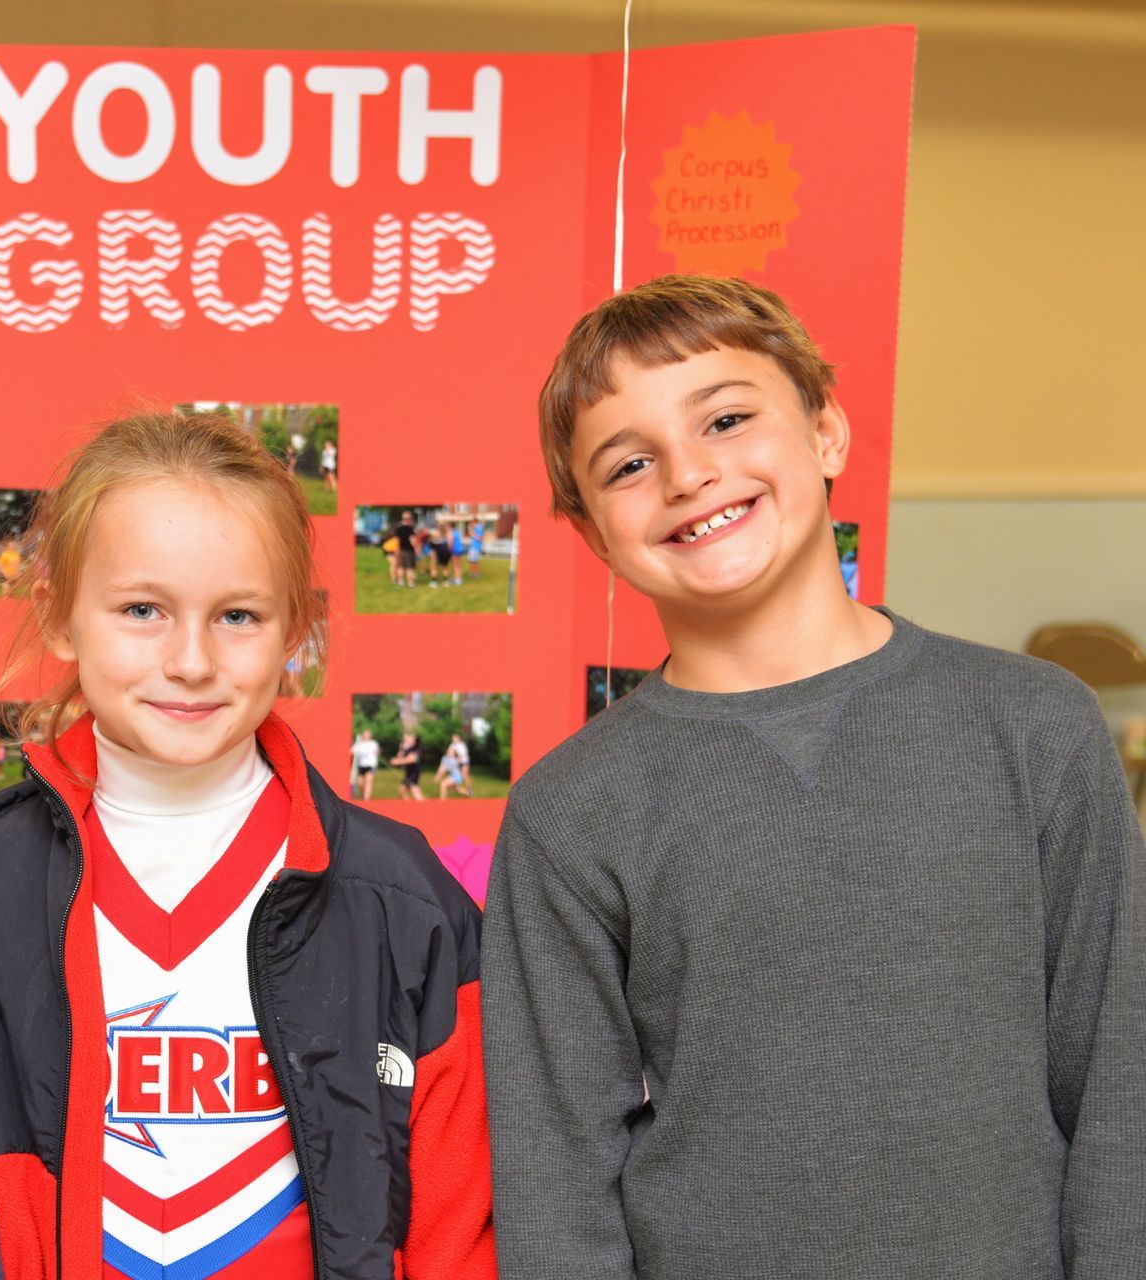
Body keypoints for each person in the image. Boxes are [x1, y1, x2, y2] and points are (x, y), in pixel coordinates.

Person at [484, 274, 1146, 1279]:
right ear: (593, 535)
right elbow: (557, 1174)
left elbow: (1118, 1081)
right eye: (629, 464)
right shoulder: (569, 810)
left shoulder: (1034, 723)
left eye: (729, 417)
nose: (690, 473)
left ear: (827, 431)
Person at [0, 412, 492, 1279]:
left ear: (297, 629)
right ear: (62, 618)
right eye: (142, 609)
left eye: (238, 616)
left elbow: (458, 1230)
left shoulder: (401, 898)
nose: (190, 660)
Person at [435, 732, 470, 799]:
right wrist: (438, 774)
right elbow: (441, 767)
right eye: (449, 750)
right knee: (457, 789)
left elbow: (444, 768)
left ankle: (442, 803)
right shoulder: (445, 758)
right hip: (453, 775)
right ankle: (469, 793)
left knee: (443, 784)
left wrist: (439, 776)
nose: (449, 751)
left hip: (457, 776)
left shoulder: (454, 759)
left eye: (451, 751)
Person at [350, 727, 380, 801]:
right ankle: (364, 796)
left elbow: (377, 751)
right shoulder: (359, 744)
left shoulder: (373, 743)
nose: (366, 736)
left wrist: (377, 752)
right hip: (361, 765)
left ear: (370, 736)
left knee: (368, 782)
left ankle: (366, 799)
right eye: (365, 735)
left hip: (370, 765)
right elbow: (351, 751)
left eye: (367, 735)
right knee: (359, 783)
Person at [392, 731, 424, 800]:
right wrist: (401, 748)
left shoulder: (415, 749)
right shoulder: (407, 749)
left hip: (414, 772)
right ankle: (408, 805)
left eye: (410, 738)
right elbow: (399, 756)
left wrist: (397, 762)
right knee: (402, 789)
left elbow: (411, 759)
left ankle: (423, 805)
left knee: (414, 788)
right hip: (408, 772)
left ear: (414, 741)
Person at [393, 509, 418, 587]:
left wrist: (396, 549)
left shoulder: (398, 527)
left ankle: (400, 582)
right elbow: (412, 539)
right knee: (410, 567)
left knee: (400, 566)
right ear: (409, 519)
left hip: (400, 549)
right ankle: (410, 583)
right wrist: (416, 548)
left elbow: (396, 539)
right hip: (409, 550)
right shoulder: (411, 528)